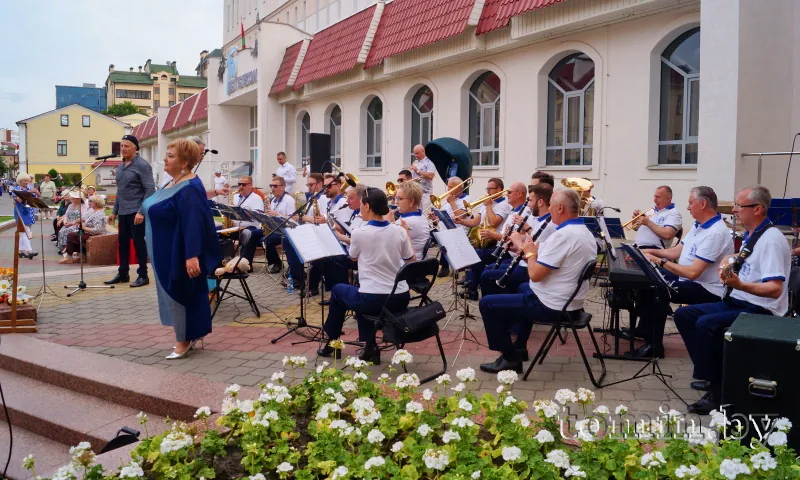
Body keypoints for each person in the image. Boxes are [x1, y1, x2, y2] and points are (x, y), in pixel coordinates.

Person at [674, 185, 791, 414]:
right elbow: (749, 263)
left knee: (706, 324)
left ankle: (717, 394)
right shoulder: (753, 235)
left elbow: (775, 289)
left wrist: (740, 284)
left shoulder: (771, 240)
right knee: (684, 315)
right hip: (740, 300)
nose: (734, 210)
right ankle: (710, 373)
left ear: (757, 209)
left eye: (739, 206)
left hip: (761, 309)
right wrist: (731, 259)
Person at [478, 188, 597, 373]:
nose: (548, 209)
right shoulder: (583, 231)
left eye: (551, 205)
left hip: (554, 305)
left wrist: (525, 248)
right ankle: (519, 346)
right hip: (570, 302)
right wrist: (525, 250)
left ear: (559, 208)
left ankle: (509, 358)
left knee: (487, 304)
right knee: (522, 287)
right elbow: (543, 259)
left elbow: (535, 274)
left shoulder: (564, 236)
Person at [143, 139, 222, 360]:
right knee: (173, 292)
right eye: (166, 154)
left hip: (177, 251)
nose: (165, 159)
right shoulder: (173, 181)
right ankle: (190, 334)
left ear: (185, 161)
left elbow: (194, 222)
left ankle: (184, 340)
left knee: (180, 292)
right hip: (164, 250)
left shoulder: (189, 187)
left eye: (170, 155)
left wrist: (192, 255)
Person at [317, 188, 415, 364]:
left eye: (362, 204)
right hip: (400, 297)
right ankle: (369, 346)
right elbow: (411, 259)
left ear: (367, 206)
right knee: (360, 290)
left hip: (374, 299)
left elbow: (353, 257)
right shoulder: (399, 231)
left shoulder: (360, 232)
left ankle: (332, 341)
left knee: (340, 291)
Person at [634, 187, 733, 358]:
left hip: (708, 288)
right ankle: (644, 331)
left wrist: (660, 262)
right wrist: (647, 252)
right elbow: (675, 252)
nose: (687, 207)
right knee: (649, 279)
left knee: (660, 289)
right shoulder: (699, 226)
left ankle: (655, 346)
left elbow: (693, 273)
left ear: (702, 204)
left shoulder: (715, 232)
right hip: (691, 280)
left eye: (690, 203)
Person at [480, 183, 556, 298]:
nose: (528, 205)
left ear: (540, 202)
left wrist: (517, 242)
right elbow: (530, 243)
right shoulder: (540, 221)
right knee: (488, 271)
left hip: (528, 268)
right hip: (523, 262)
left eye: (530, 201)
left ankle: (500, 305)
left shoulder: (548, 225)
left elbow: (534, 253)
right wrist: (515, 244)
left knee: (487, 277)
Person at [458, 180, 522, 300]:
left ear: (498, 190)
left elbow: (493, 222)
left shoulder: (504, 205)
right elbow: (476, 221)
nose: (487, 192)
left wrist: (488, 206)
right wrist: (461, 221)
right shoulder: (487, 203)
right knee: (471, 254)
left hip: (495, 243)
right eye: (486, 189)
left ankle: (475, 287)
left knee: (476, 257)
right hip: (486, 240)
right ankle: (472, 286)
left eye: (490, 189)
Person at [105, 135, 155, 288]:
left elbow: (150, 190)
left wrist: (141, 212)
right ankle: (123, 273)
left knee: (139, 243)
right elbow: (120, 191)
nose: (123, 149)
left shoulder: (142, 165)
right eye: (121, 146)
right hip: (123, 213)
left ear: (135, 148)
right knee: (123, 244)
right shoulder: (120, 167)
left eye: (126, 146)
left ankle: (143, 275)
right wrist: (114, 211)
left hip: (136, 212)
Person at [428, 176, 470, 277]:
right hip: (447, 229)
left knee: (445, 237)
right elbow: (443, 218)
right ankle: (443, 265)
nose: (448, 189)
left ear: (459, 187)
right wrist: (434, 218)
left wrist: (452, 202)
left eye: (450, 187)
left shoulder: (467, 199)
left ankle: (446, 266)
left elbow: (461, 215)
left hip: (460, 230)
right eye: (448, 186)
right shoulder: (446, 200)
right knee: (432, 234)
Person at [230, 175, 266, 268]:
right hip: (236, 226)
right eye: (239, 184)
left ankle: (245, 264)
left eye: (243, 184)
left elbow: (258, 215)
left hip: (251, 226)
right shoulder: (236, 196)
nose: (240, 186)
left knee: (248, 233)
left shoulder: (256, 198)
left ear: (250, 185)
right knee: (219, 232)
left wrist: (242, 212)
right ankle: (227, 260)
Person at [392, 180, 431, 261]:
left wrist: (385, 220)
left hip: (405, 266)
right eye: (396, 198)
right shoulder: (421, 216)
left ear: (411, 201)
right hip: (416, 263)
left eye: (400, 199)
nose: (396, 202)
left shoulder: (407, 222)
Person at [61, 195, 107, 264]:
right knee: (75, 235)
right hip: (85, 232)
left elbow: (98, 229)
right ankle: (81, 255)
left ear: (96, 203)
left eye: (91, 201)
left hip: (92, 234)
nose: (89, 202)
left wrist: (84, 227)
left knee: (71, 235)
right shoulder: (94, 211)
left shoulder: (99, 214)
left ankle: (69, 257)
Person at [264, 175, 297, 273]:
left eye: (275, 186)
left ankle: (277, 264)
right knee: (259, 237)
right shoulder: (273, 200)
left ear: (283, 187)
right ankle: (275, 262)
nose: (272, 188)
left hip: (287, 230)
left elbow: (292, 219)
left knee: (268, 240)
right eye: (271, 186)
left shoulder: (289, 200)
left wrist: (277, 214)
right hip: (276, 229)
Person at [11, 172, 39, 259]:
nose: (27, 182)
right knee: (25, 231)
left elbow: (36, 198)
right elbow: (19, 200)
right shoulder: (16, 189)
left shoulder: (29, 188)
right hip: (21, 213)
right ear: (20, 181)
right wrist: (29, 192)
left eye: (27, 180)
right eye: (24, 180)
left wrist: (37, 192)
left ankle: (21, 250)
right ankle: (28, 250)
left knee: (25, 231)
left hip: (29, 213)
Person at [56, 191, 85, 258]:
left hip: (77, 224)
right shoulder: (70, 205)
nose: (72, 199)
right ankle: (63, 248)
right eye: (73, 198)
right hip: (68, 223)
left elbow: (83, 218)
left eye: (74, 198)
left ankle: (68, 249)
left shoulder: (83, 207)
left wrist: (72, 223)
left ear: (79, 199)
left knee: (67, 232)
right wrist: (65, 222)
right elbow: (66, 215)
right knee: (61, 231)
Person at [409, 144, 436, 212]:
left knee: (426, 213)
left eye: (417, 153)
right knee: (417, 213)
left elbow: (431, 176)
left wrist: (417, 170)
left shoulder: (429, 161)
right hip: (416, 193)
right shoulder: (415, 162)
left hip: (425, 193)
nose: (416, 155)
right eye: (415, 153)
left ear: (423, 151)